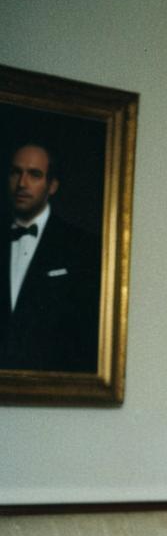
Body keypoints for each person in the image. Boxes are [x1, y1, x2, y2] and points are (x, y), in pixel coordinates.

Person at [1, 142, 101, 372]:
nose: (22, 183)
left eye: (34, 175)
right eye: (16, 172)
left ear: (52, 185)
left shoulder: (82, 247)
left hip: (53, 389)